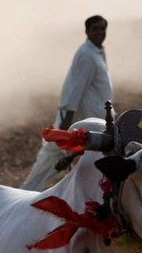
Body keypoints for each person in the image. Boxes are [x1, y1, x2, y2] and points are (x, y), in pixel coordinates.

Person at [21, 15, 113, 191]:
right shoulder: (87, 55)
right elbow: (76, 89)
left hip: (92, 118)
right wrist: (65, 124)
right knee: (52, 156)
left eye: (102, 28)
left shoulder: (97, 51)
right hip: (78, 118)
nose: (100, 32)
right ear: (87, 32)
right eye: (95, 29)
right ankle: (22, 193)